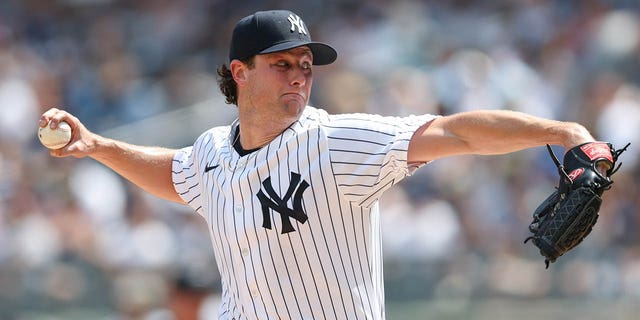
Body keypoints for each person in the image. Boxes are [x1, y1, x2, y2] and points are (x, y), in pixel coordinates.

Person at [40, 9, 600, 320]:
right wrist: (99, 147)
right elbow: (175, 174)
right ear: (239, 72)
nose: (299, 75)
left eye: (306, 64)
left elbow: (454, 132)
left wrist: (562, 132)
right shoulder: (212, 151)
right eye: (282, 63)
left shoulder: (334, 141)